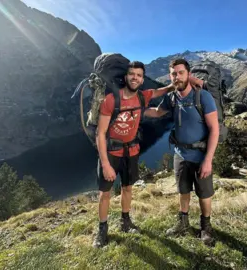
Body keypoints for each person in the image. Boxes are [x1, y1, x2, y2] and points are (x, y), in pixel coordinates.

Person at [93, 61, 175, 248]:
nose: (135, 78)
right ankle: (102, 230)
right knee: (104, 193)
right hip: (112, 153)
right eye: (132, 74)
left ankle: (126, 221)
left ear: (142, 79)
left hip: (132, 152)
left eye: (139, 75)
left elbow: (157, 93)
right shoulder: (111, 100)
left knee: (127, 188)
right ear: (125, 77)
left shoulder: (142, 97)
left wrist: (172, 86)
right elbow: (100, 133)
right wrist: (105, 164)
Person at [144, 58, 219, 246]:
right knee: (183, 191)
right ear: (170, 76)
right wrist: (135, 110)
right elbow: (157, 112)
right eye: (173, 74)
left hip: (200, 155)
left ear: (188, 74)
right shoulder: (172, 98)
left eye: (180, 73)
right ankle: (183, 223)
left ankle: (205, 228)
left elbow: (214, 129)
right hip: (180, 154)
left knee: (204, 194)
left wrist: (208, 160)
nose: (177, 77)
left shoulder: (203, 97)